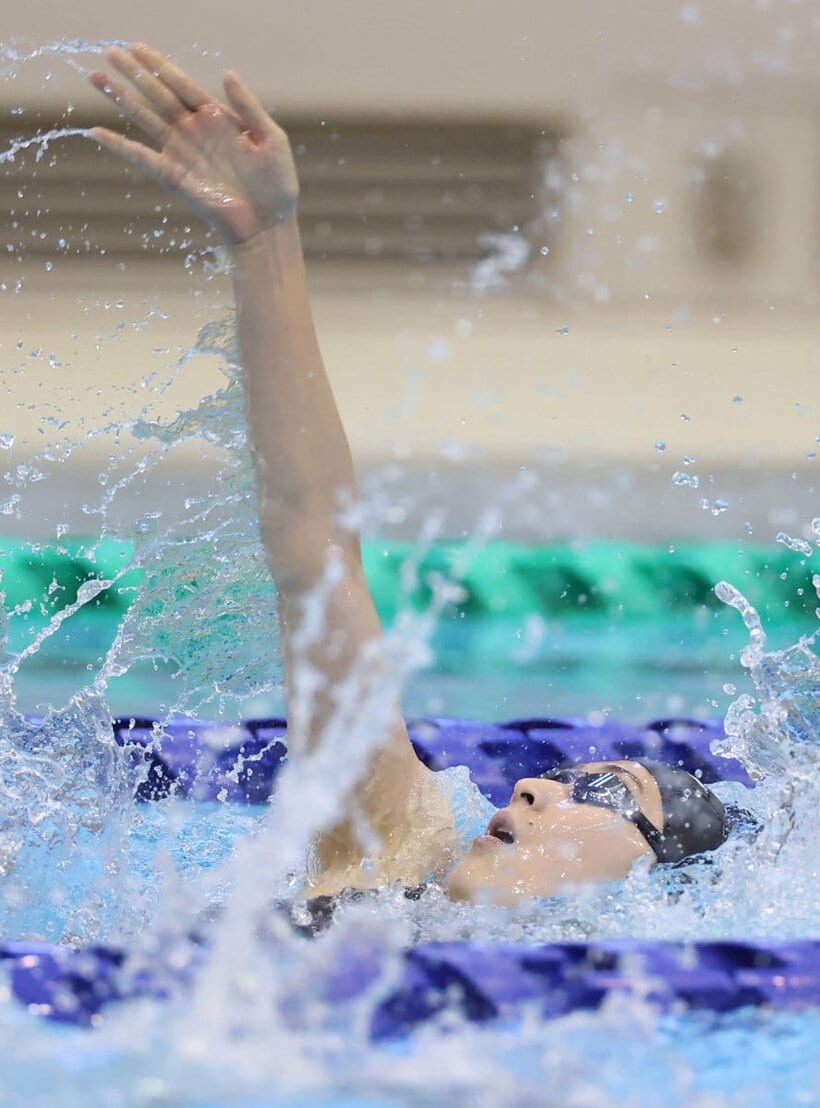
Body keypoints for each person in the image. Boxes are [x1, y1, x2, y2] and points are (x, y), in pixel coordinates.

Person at [87, 44, 729, 908]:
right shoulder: (398, 850)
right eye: (569, 775)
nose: (534, 788)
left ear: (655, 889)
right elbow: (313, 544)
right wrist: (267, 240)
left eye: (606, 794)